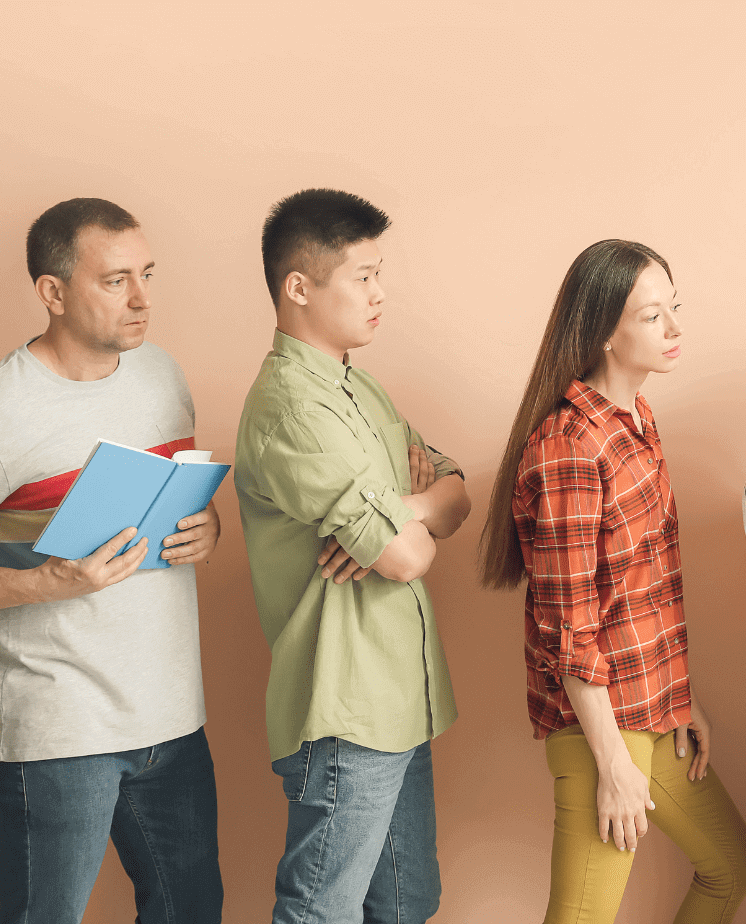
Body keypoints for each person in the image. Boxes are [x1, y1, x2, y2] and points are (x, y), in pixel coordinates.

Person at [0, 198, 223, 922]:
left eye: (148, 275)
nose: (141, 299)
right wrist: (47, 581)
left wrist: (207, 525)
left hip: (172, 720)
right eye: (115, 280)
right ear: (53, 292)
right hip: (60, 731)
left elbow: (173, 498)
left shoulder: (160, 374)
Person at [479, 239, 746, 924]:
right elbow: (569, 624)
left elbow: (644, 585)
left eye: (675, 310)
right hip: (599, 723)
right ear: (604, 331)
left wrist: (678, 699)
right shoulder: (569, 446)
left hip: (650, 706)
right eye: (652, 316)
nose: (674, 329)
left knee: (731, 866)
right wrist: (611, 764)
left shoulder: (637, 419)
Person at [235, 189, 471, 923]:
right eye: (362, 276)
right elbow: (406, 561)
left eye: (380, 273)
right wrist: (406, 527)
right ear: (298, 287)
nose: (380, 294)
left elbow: (457, 493)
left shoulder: (359, 386)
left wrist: (404, 509)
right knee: (319, 911)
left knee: (406, 904)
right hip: (345, 709)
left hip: (397, 700)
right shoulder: (293, 408)